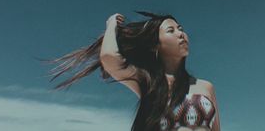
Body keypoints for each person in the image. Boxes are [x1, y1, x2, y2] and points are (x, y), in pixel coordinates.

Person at [42, 11, 221, 131]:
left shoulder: (206, 87)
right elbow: (110, 58)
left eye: (181, 29)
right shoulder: (148, 82)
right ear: (155, 45)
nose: (181, 34)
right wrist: (111, 25)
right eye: (171, 30)